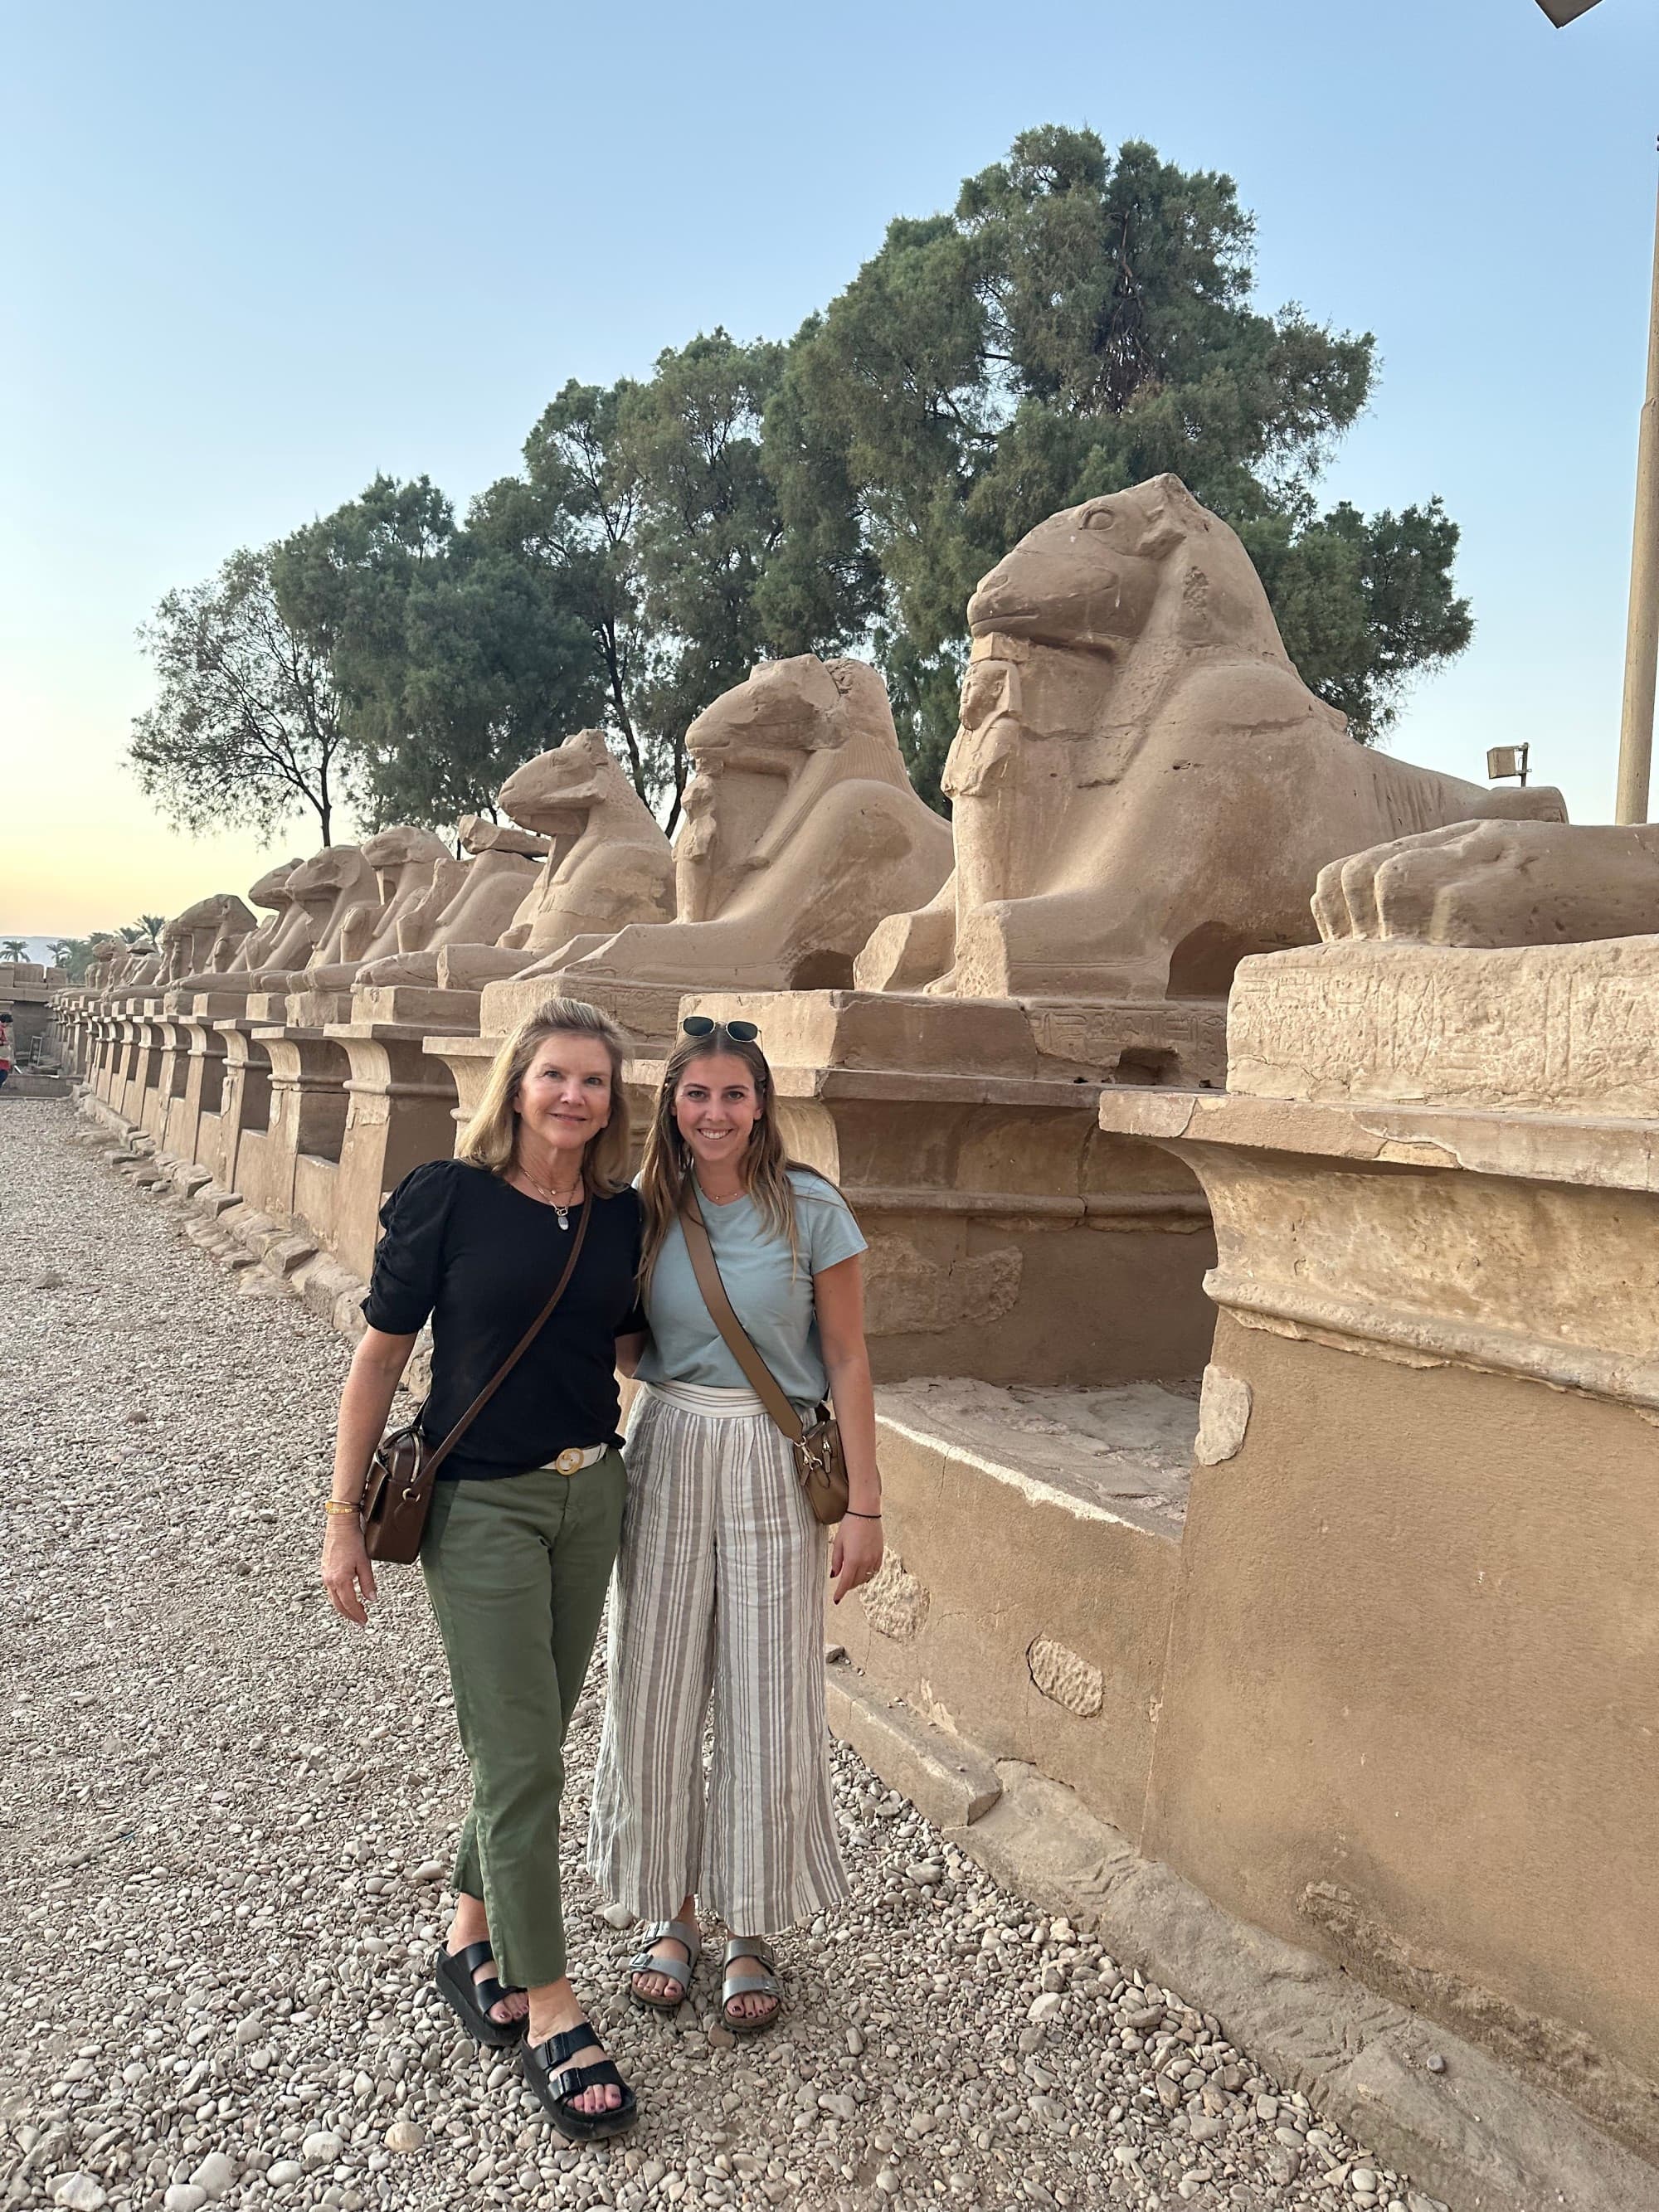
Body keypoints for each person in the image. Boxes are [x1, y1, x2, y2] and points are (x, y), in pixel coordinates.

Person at [319, 996, 644, 2142]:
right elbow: (379, 1360)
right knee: (518, 1756)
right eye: (554, 1074)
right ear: (516, 1084)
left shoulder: (619, 1216)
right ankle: (551, 2003)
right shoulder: (447, 1197)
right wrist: (341, 1515)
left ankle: (467, 1932)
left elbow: (627, 1339)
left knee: (531, 1740)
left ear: (612, 1100)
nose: (573, 1096)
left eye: (594, 1081)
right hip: (483, 1506)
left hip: (591, 1492)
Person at [589, 1014, 884, 2034]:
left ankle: (752, 1926)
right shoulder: (639, 1210)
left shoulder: (812, 1213)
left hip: (776, 1453)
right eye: (695, 1094)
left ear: (762, 1105)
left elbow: (845, 1356)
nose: (713, 1113)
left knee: (768, 1685)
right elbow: (619, 1339)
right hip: (669, 1443)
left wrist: (868, 1504)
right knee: (656, 1682)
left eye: (733, 1094)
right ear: (670, 1105)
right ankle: (670, 1914)